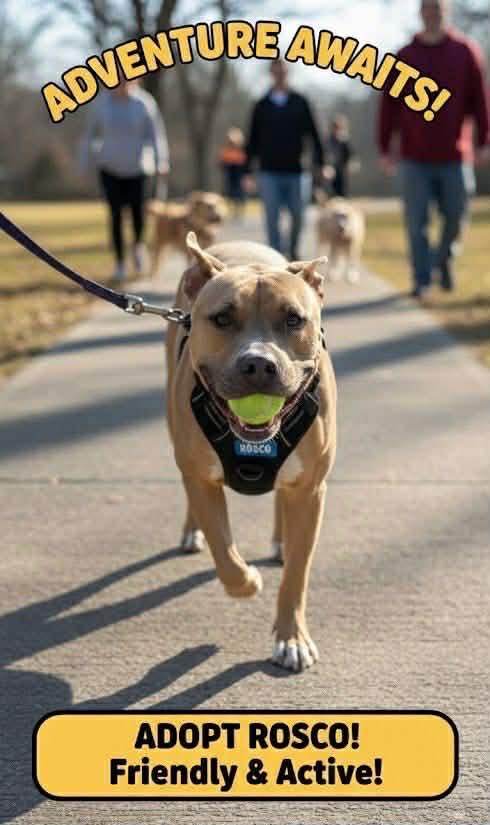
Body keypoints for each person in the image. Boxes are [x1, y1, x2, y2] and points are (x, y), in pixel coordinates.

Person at [378, 0, 490, 297]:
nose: (433, 12)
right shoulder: (404, 56)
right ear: (420, 12)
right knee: (417, 222)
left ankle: (444, 259)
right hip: (414, 156)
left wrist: (483, 140)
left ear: (446, 11)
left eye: (438, 7)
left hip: (455, 154)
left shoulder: (465, 51)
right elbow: (388, 108)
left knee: (456, 215)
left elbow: (479, 99)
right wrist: (385, 147)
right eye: (428, 6)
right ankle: (422, 279)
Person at [80, 79, 169, 282]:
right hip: (110, 167)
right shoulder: (101, 103)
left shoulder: (144, 102)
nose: (122, 82)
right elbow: (90, 135)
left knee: (138, 214)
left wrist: (161, 160)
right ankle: (120, 263)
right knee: (115, 215)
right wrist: (85, 163)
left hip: (138, 168)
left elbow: (156, 134)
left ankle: (138, 246)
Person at [244, 58, 324, 260]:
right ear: (271, 74)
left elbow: (314, 135)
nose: (280, 75)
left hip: (297, 171)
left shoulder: (300, 101)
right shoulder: (261, 105)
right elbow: (251, 140)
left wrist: (321, 164)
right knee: (272, 218)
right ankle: (276, 257)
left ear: (289, 73)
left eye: (284, 72)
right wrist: (247, 172)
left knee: (299, 215)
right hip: (268, 171)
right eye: (277, 72)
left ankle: (294, 250)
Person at [218, 127, 247, 219]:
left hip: (238, 175)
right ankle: (230, 210)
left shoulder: (242, 151)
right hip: (230, 175)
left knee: (239, 193)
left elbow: (245, 164)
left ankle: (239, 210)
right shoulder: (226, 150)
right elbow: (221, 163)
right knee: (230, 192)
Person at [324, 114, 355, 198]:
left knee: (342, 193)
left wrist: (350, 165)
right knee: (330, 193)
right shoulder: (327, 141)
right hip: (329, 172)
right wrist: (326, 167)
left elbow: (350, 156)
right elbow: (322, 156)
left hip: (341, 171)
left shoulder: (344, 141)